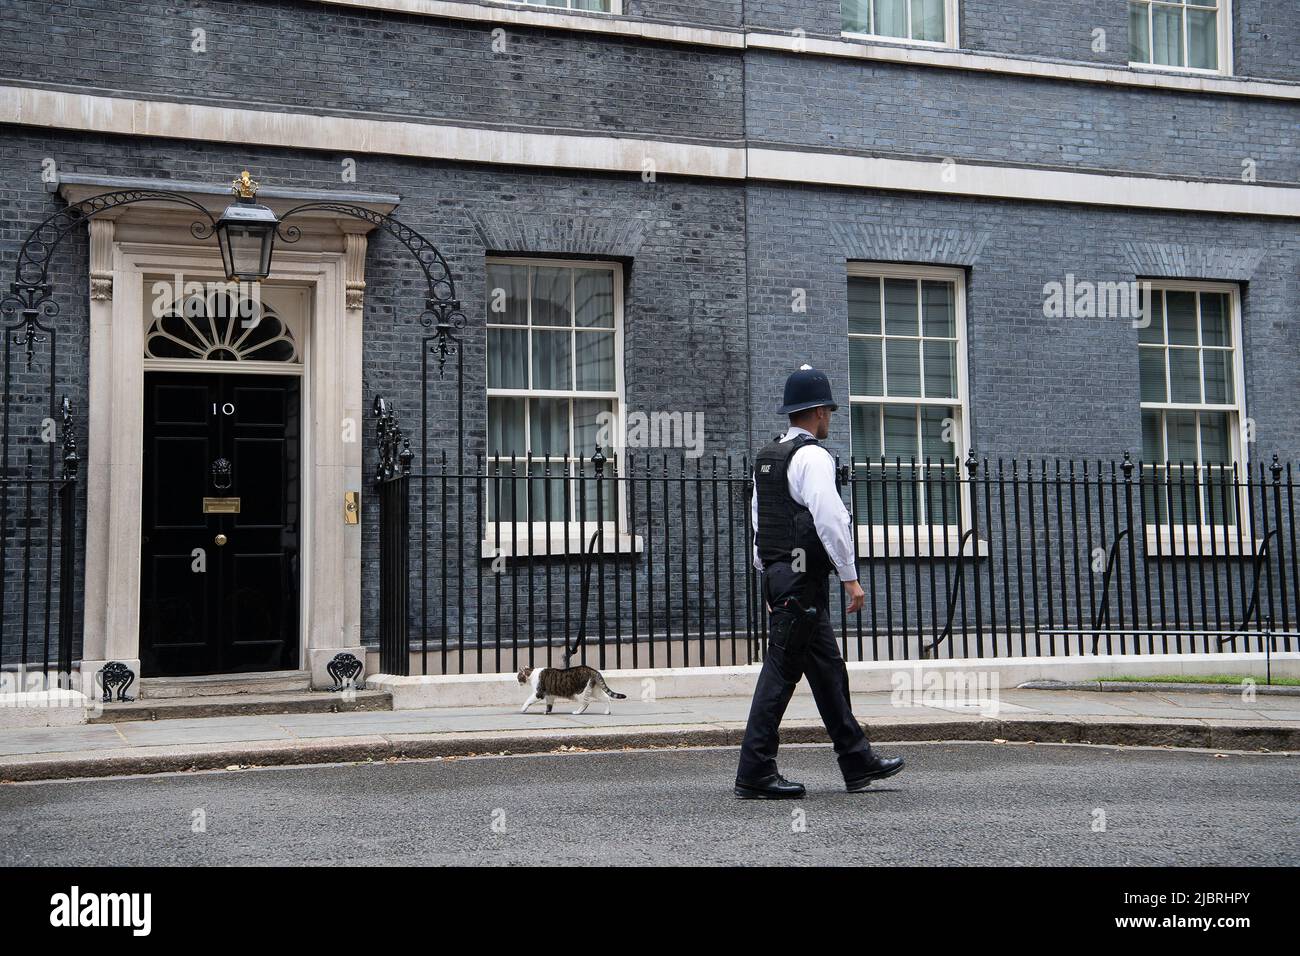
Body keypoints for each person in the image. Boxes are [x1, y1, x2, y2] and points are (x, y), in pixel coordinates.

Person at [735, 365, 905, 798]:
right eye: (828, 410)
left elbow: (758, 523)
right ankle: (755, 770)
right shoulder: (813, 457)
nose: (830, 417)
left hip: (781, 578)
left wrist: (768, 578)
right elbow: (831, 520)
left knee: (828, 671)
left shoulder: (769, 456)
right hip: (803, 581)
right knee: (780, 673)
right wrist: (850, 578)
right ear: (817, 412)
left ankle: (856, 758)